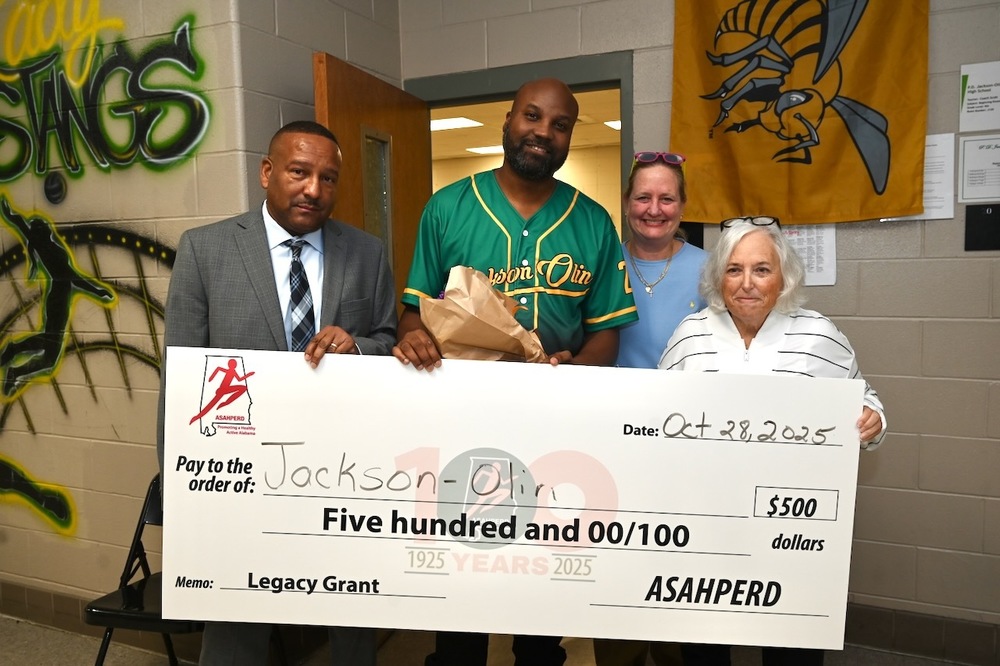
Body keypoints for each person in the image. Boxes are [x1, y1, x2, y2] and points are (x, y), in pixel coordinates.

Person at [392, 78, 638, 666]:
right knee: (462, 573)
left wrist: (574, 370)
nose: (543, 132)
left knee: (540, 574)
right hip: (459, 418)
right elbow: (410, 310)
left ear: (569, 137)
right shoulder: (448, 207)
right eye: (532, 117)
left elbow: (607, 328)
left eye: (560, 125)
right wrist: (413, 339)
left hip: (553, 424)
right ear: (508, 121)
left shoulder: (593, 222)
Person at [157, 120, 397, 666]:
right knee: (237, 630)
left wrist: (357, 346)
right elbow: (181, 380)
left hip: (343, 476)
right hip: (238, 477)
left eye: (328, 178)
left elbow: (388, 340)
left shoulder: (366, 253)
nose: (314, 189)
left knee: (351, 622)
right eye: (299, 172)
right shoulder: (205, 251)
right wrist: (181, 490)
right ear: (267, 173)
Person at [658, 216, 886, 666]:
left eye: (761, 269)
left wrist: (872, 419)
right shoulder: (690, 336)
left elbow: (868, 399)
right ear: (717, 276)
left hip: (789, 530)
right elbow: (659, 420)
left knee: (790, 648)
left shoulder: (818, 336)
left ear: (784, 278)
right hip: (708, 529)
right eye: (734, 269)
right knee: (703, 643)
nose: (746, 283)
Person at [596, 151, 706, 666]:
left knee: (677, 574)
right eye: (643, 197)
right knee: (615, 570)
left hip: (687, 449)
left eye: (667, 197)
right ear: (626, 202)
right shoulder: (601, 264)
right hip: (612, 444)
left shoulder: (711, 270)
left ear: (683, 205)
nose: (654, 208)